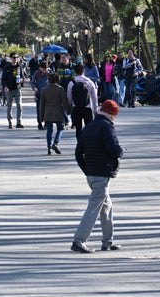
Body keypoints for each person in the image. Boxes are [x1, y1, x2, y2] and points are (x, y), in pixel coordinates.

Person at [71, 100, 124, 254]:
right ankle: (79, 240)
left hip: (92, 174)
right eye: (114, 115)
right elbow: (113, 150)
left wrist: (86, 169)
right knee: (93, 207)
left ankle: (107, 241)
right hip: (102, 173)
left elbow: (77, 152)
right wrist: (121, 151)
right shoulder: (107, 127)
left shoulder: (89, 127)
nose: (114, 119)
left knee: (106, 206)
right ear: (110, 113)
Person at [40, 73, 71, 155]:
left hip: (48, 113)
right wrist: (68, 110)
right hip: (58, 112)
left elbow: (42, 104)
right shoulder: (60, 89)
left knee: (49, 131)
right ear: (57, 80)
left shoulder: (44, 89)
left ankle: (49, 147)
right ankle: (56, 143)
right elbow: (64, 102)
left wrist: (41, 116)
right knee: (60, 129)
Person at [67, 63, 99, 141]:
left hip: (76, 108)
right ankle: (88, 145)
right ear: (83, 71)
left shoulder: (71, 83)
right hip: (87, 107)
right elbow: (94, 97)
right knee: (89, 128)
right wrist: (95, 109)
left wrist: (69, 108)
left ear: (75, 72)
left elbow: (69, 97)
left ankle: (80, 146)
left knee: (78, 129)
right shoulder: (89, 82)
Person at [1, 52, 24, 129]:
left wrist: (21, 80)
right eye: (14, 57)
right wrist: (5, 87)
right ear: (11, 58)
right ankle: (10, 122)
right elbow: (3, 79)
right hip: (9, 89)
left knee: (19, 105)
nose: (15, 59)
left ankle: (19, 122)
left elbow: (23, 76)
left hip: (17, 88)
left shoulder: (19, 67)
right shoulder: (7, 67)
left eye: (17, 57)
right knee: (9, 106)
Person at [30, 61, 51, 130]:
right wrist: (34, 88)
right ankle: (39, 123)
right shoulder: (37, 73)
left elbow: (54, 81)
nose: (44, 70)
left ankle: (46, 123)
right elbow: (32, 82)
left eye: (46, 68)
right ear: (40, 68)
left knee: (47, 109)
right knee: (39, 109)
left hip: (48, 93)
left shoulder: (50, 73)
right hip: (38, 93)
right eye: (43, 68)